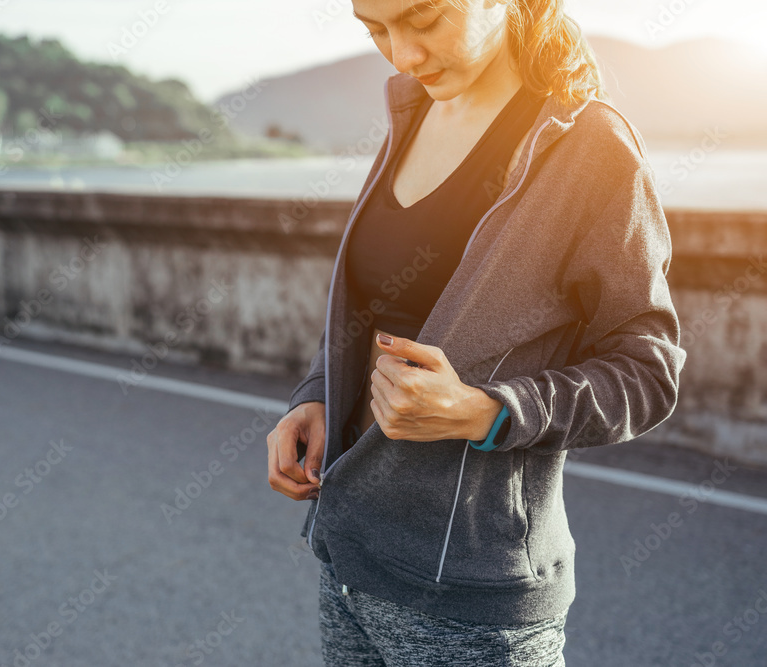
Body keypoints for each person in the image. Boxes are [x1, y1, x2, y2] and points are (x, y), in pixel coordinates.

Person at [266, 0, 688, 665]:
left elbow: (646, 372)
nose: (402, 55)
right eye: (374, 29)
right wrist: (316, 393)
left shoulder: (591, 148)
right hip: (348, 556)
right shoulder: (414, 110)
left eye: (425, 19)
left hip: (474, 599)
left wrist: (485, 410)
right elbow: (375, 305)